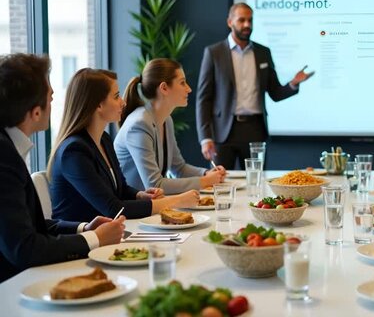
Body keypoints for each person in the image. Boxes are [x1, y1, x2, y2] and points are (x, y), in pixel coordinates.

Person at [0, 54, 125, 283]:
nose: (53, 100)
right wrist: (94, 238)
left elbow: (30, 225)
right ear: (35, 111)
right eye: (50, 96)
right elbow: (24, 248)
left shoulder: (9, 149)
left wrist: (84, 228)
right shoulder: (4, 157)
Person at [48, 68, 200, 222]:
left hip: (108, 233)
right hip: (82, 240)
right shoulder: (74, 151)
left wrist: (140, 195)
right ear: (98, 105)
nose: (123, 101)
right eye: (116, 96)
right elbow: (114, 209)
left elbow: (120, 189)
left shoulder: (104, 140)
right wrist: (176, 201)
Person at [196, 2, 314, 169]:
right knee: (220, 185)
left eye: (250, 20)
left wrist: (293, 83)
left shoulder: (263, 52)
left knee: (255, 185)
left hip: (255, 130)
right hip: (223, 132)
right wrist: (205, 138)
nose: (247, 25)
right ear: (230, 22)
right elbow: (204, 99)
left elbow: (275, 92)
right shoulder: (214, 53)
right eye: (241, 20)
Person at [115, 59, 226, 195]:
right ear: (164, 88)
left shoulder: (166, 120)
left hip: (152, 206)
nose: (189, 89)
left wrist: (206, 173)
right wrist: (205, 181)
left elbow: (179, 168)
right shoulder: (139, 125)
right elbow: (155, 184)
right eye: (182, 83)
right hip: (131, 211)